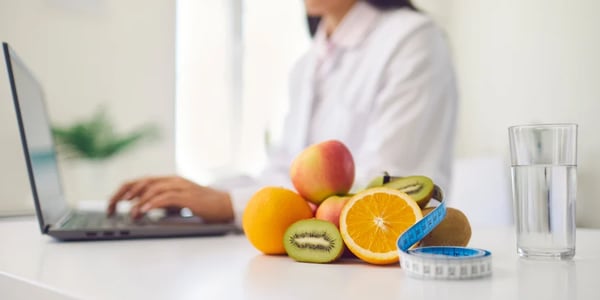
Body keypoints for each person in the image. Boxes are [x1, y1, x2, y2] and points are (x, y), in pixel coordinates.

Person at [107, 0, 458, 229]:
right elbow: (282, 175)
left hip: (378, 263)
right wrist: (196, 196)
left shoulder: (412, 39)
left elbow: (389, 185)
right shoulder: (308, 64)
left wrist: (230, 204)